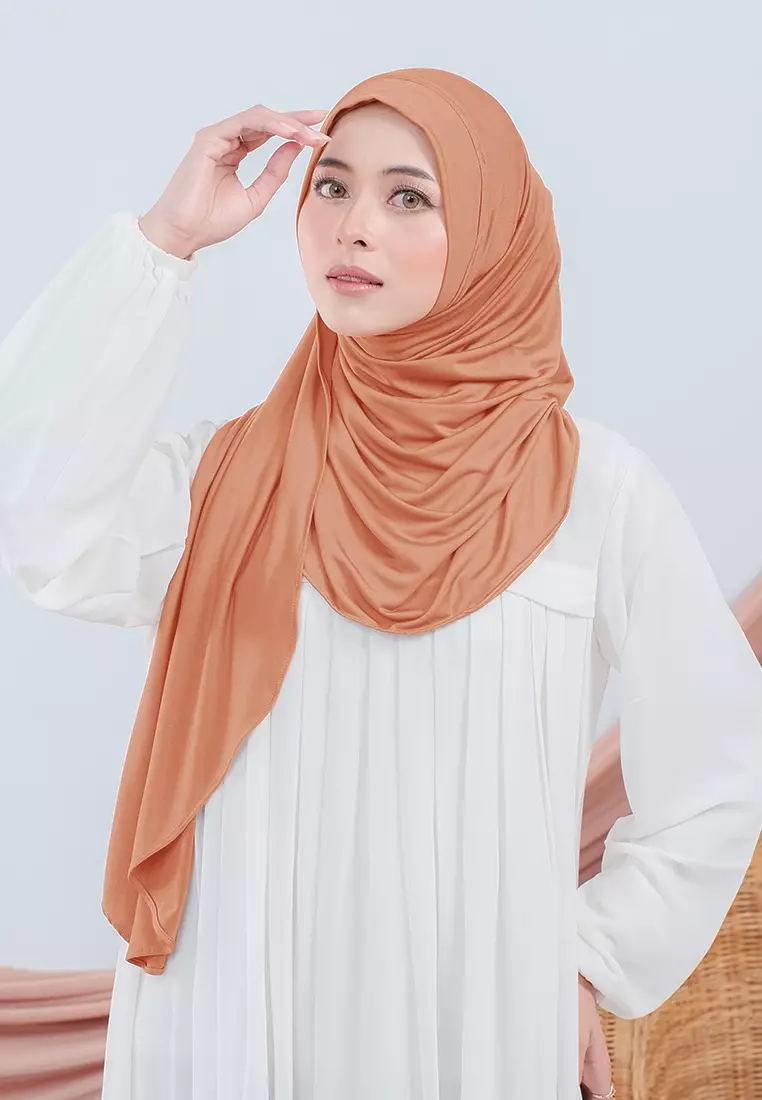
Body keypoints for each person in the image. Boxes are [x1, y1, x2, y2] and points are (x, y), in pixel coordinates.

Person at [1, 67, 761, 1100]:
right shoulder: (225, 481)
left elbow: (718, 766)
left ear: (490, 235)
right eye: (332, 186)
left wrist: (594, 956)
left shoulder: (594, 491)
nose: (354, 225)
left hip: (470, 1021)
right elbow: (40, 520)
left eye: (410, 196)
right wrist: (166, 239)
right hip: (235, 1017)